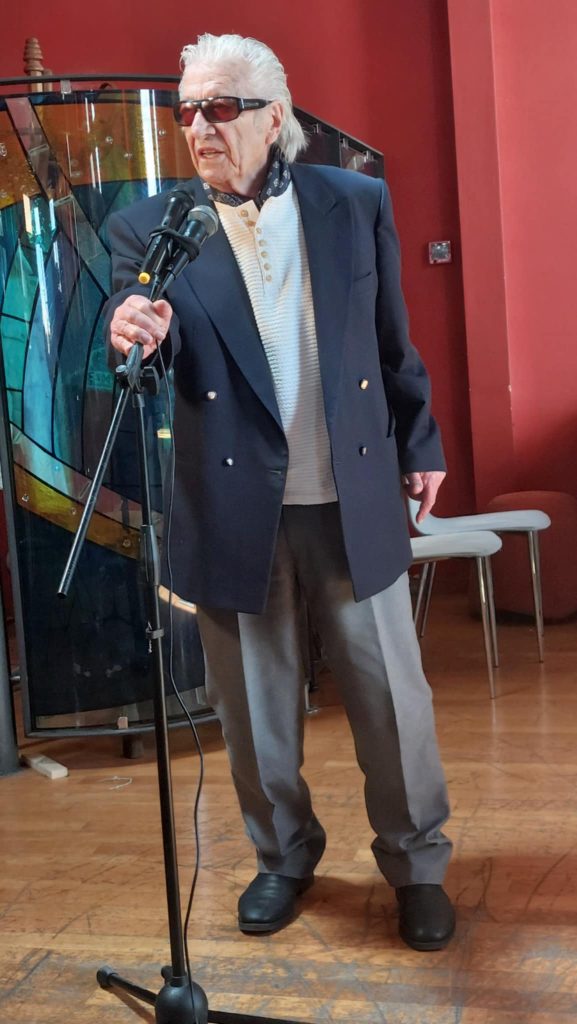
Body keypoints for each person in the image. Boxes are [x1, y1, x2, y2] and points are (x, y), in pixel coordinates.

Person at [106, 32, 455, 952]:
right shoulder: (150, 227)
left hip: (349, 491)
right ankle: (283, 857)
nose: (199, 127)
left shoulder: (353, 202)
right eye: (186, 110)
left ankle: (417, 863)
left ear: (274, 116)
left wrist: (420, 442)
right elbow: (148, 340)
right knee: (254, 710)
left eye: (220, 107)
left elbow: (391, 338)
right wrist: (130, 327)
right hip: (231, 505)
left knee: (389, 701)